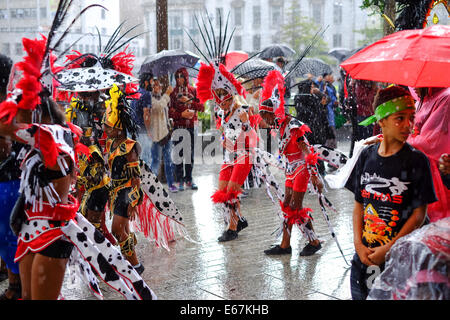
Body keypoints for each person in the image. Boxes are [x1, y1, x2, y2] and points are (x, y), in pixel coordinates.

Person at [345, 85, 437, 300]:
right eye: (399, 118)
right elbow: (359, 204)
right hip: (366, 254)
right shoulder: (366, 156)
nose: (408, 125)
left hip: (404, 257)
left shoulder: (416, 160)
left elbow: (418, 215)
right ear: (381, 121)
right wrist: (359, 245)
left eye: (411, 117)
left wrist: (388, 248)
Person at [258, 70, 324, 256]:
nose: (264, 119)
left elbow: (308, 152)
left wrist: (315, 177)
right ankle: (289, 245)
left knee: (295, 206)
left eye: (265, 115)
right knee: (288, 205)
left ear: (273, 113)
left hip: (302, 169)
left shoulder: (293, 126)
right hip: (290, 170)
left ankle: (310, 242)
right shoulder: (280, 126)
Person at [196, 61, 256, 242]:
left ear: (230, 97)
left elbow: (250, 133)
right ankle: (239, 220)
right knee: (222, 191)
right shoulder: (221, 113)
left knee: (231, 192)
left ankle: (232, 227)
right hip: (229, 155)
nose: (221, 104)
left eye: (224, 99)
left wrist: (246, 122)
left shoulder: (243, 109)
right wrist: (223, 138)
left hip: (244, 154)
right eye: (218, 100)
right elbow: (227, 131)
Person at [103, 85, 145, 275]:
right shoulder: (110, 143)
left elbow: (137, 178)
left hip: (127, 192)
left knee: (117, 229)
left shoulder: (130, 147)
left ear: (119, 128)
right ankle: (131, 263)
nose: (105, 129)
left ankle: (135, 264)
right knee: (123, 229)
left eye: (108, 127)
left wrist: (134, 202)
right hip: (115, 192)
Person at [407, 87, 450, 222]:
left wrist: (399, 142)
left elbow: (431, 142)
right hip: (422, 171)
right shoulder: (420, 101)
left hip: (438, 172)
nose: (413, 85)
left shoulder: (445, 98)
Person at [0, 53, 21, 300]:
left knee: (10, 237)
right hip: (10, 180)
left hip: (10, 182)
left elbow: (6, 146)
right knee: (8, 238)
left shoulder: (10, 107)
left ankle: (18, 287)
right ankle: (16, 284)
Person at [169, 68, 204, 191]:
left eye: (181, 76)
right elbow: (169, 112)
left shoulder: (193, 91)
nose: (179, 79)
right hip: (178, 127)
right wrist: (181, 115)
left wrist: (189, 101)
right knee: (179, 155)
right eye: (177, 77)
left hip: (191, 127)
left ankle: (189, 179)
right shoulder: (173, 93)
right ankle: (179, 181)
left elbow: (202, 107)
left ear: (186, 77)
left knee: (190, 155)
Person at [146, 78, 177, 193]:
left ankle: (171, 184)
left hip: (166, 134)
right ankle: (151, 187)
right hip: (156, 137)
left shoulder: (161, 97)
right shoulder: (150, 99)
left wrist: (169, 122)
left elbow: (164, 111)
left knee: (169, 161)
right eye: (155, 86)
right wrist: (167, 93)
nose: (157, 88)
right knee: (156, 162)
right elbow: (158, 107)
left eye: (159, 85)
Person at [132, 72, 153, 167]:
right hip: (143, 131)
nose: (153, 84)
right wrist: (149, 131)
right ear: (146, 82)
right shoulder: (146, 94)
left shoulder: (136, 92)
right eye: (152, 81)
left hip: (134, 130)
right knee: (146, 158)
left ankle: (140, 179)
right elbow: (146, 114)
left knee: (138, 158)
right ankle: (146, 180)